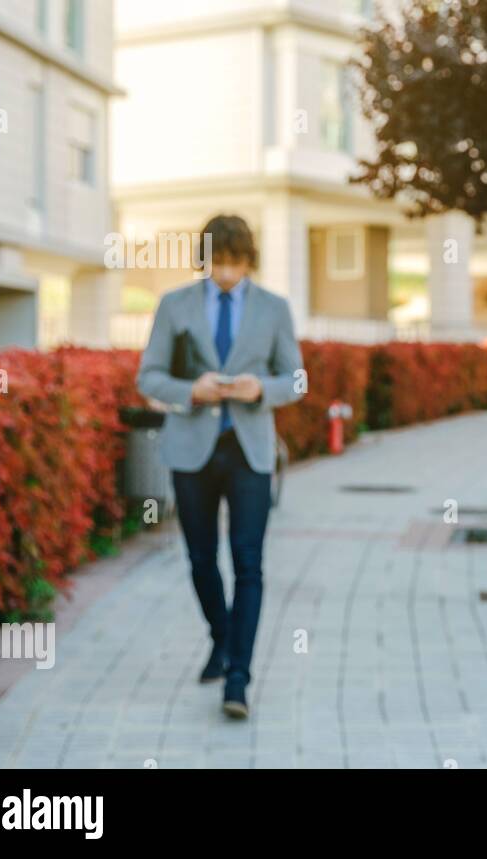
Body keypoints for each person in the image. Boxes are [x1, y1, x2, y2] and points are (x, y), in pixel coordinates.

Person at [136, 214, 305, 719]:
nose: (226, 274)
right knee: (201, 557)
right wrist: (192, 390)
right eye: (217, 263)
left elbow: (296, 380)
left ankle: (238, 677)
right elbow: (150, 375)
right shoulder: (175, 305)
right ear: (203, 259)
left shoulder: (274, 308)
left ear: (249, 261)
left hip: (250, 449)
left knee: (249, 563)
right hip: (191, 449)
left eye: (235, 263)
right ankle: (220, 635)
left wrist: (262, 389)